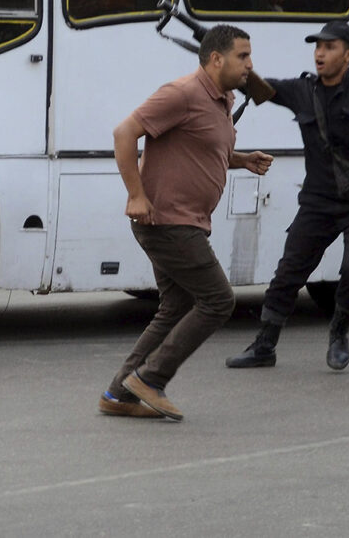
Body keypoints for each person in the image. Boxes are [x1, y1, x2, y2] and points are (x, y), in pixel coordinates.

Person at [226, 22, 349, 371]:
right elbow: (257, 87)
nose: (320, 53)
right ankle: (265, 345)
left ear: (348, 55)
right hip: (319, 202)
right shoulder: (302, 90)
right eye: (317, 47)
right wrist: (230, 61)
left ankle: (339, 332)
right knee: (290, 271)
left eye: (329, 47)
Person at [99, 25, 273, 421]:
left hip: (184, 220)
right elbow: (124, 132)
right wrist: (135, 193)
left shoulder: (223, 99)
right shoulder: (182, 93)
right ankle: (151, 379)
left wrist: (242, 159)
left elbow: (203, 148)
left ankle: (118, 392)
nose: (250, 65)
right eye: (243, 56)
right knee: (218, 300)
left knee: (176, 305)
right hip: (168, 221)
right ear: (216, 59)